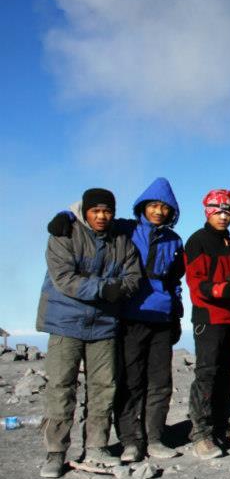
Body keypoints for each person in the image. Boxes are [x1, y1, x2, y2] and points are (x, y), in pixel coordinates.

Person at [47, 178, 186, 462]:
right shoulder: (126, 228)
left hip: (158, 316)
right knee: (129, 381)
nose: (159, 211)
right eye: (154, 205)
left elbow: (175, 280)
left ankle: (154, 438)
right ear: (143, 207)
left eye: (165, 207)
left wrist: (177, 312)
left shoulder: (174, 240)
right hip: (128, 316)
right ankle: (130, 440)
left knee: (159, 382)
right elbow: (90, 218)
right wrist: (65, 215)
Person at [36, 188, 141, 478]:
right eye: (96, 210)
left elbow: (133, 277)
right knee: (61, 386)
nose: (102, 216)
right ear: (85, 211)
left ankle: (96, 447)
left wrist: (117, 289)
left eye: (107, 210)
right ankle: (56, 452)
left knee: (103, 387)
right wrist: (105, 288)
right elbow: (64, 278)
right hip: (64, 321)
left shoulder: (121, 240)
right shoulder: (64, 232)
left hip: (104, 324)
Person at [184, 189, 230, 460]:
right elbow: (195, 282)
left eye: (227, 211)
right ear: (208, 212)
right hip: (208, 318)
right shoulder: (199, 241)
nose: (223, 216)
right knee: (207, 374)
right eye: (218, 211)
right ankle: (201, 433)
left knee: (225, 373)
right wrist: (220, 290)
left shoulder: (228, 242)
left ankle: (220, 426)